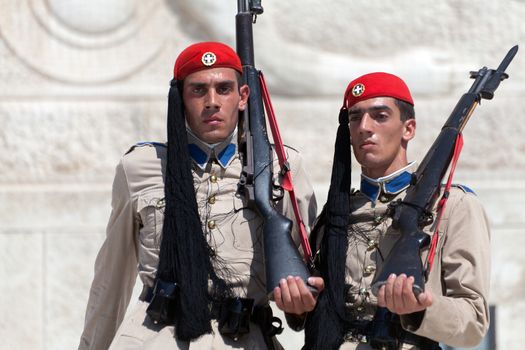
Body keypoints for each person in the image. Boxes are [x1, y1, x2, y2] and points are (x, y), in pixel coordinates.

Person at [78, 41, 319, 350]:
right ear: (180, 98)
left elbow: (303, 272)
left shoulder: (281, 168)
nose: (212, 102)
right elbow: (111, 279)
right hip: (157, 338)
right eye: (198, 90)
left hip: (245, 338)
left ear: (243, 96)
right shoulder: (139, 167)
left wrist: (299, 303)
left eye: (224, 89)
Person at [303, 72, 490, 349]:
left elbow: (473, 324)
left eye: (380, 116)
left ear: (408, 128)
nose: (365, 127)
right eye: (355, 117)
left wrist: (422, 308)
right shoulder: (336, 214)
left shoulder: (453, 206)